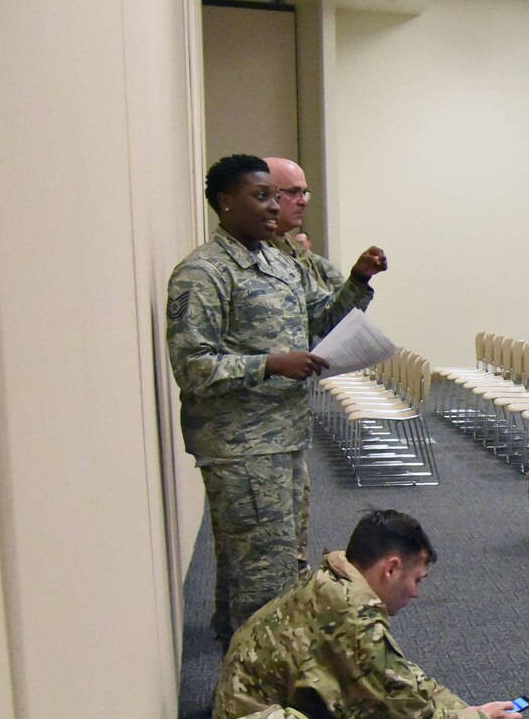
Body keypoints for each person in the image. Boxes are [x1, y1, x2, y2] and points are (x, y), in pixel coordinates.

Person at [166, 154, 387, 643]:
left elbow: (321, 319)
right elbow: (192, 365)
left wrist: (357, 282)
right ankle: (258, 699)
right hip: (239, 447)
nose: (274, 207)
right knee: (263, 579)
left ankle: (238, 678)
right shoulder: (203, 274)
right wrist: (270, 363)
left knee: (268, 564)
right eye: (260, 196)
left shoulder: (277, 262)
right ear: (226, 203)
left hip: (284, 437)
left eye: (276, 196)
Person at [213, 510, 522, 719]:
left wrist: (463, 709)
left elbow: (402, 679)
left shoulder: (332, 583)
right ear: (391, 569)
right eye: (416, 579)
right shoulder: (353, 618)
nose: (416, 593)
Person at [263, 157, 342, 297]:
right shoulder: (253, 251)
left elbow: (322, 311)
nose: (304, 201)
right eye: (293, 192)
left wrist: (360, 278)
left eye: (304, 193)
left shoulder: (297, 249)